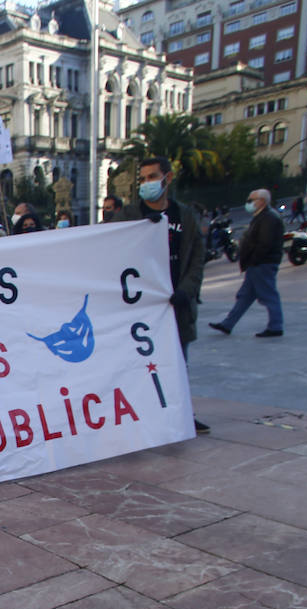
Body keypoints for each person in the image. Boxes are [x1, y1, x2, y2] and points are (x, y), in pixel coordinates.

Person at [119, 156, 208, 433]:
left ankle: (181, 414)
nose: (147, 183)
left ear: (167, 179)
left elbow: (196, 259)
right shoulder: (128, 216)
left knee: (178, 362)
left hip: (176, 304)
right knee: (137, 364)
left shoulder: (186, 216)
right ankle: (143, 417)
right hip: (139, 307)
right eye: (143, 178)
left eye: (152, 177)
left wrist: (186, 291)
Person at [209, 188, 285, 337]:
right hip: (256, 264)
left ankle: (276, 326)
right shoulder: (262, 216)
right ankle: (228, 324)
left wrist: (254, 259)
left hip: (262, 264)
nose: (248, 203)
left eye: (251, 200)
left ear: (262, 201)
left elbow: (265, 243)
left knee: (268, 295)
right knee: (245, 296)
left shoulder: (269, 218)